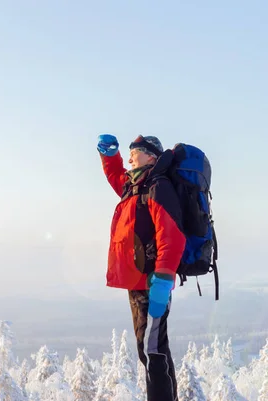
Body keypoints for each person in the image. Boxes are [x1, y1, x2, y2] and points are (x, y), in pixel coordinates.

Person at [97, 134, 186, 401]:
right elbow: (115, 175)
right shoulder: (134, 185)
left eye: (134, 151)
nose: (130, 155)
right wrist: (108, 154)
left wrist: (163, 279)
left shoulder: (158, 186)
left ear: (151, 156)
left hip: (152, 281)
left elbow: (172, 235)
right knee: (152, 347)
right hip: (139, 281)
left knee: (151, 350)